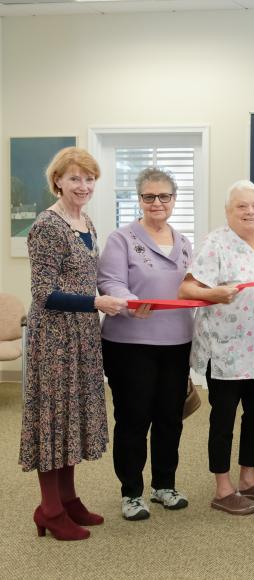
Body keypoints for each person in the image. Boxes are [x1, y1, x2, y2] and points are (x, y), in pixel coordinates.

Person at [20, 147, 128, 541]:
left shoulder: (86, 222)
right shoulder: (47, 226)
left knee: (71, 419)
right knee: (53, 420)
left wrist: (126, 300)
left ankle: (68, 500)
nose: (84, 186)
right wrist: (98, 303)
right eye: (75, 178)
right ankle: (48, 508)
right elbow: (44, 294)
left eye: (89, 179)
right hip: (54, 338)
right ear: (58, 181)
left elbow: (89, 280)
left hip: (82, 334)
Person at [179, 180, 254, 516]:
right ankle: (222, 487)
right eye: (242, 206)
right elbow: (186, 289)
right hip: (227, 349)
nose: (250, 212)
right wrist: (215, 294)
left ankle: (249, 479)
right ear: (229, 212)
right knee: (224, 418)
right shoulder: (216, 243)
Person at [97, 167, 193, 521]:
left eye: (164, 196)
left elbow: (193, 284)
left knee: (171, 417)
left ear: (173, 200)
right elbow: (110, 282)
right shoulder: (121, 238)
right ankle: (131, 492)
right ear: (139, 200)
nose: (157, 203)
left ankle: (163, 485)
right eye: (149, 196)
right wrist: (129, 302)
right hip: (130, 342)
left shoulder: (183, 241)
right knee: (134, 418)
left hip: (176, 341)